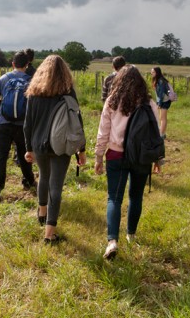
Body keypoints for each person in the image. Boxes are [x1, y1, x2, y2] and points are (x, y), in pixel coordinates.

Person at [94, 65, 159, 259]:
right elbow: (155, 134)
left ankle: (112, 241)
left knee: (114, 198)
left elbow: (103, 132)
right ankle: (131, 235)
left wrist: (98, 156)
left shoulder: (112, 102)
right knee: (136, 196)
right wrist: (158, 159)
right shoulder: (149, 103)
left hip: (116, 155)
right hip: (140, 157)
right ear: (141, 82)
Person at [24, 55, 86, 244]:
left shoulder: (34, 93)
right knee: (56, 185)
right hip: (62, 145)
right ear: (64, 73)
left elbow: (28, 124)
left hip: (39, 144)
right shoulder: (68, 92)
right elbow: (77, 124)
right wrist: (81, 149)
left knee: (43, 177)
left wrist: (28, 148)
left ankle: (42, 213)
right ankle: (50, 234)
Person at [0, 51, 36, 202]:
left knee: (1, 155)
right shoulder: (31, 81)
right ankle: (29, 182)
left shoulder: (4, 78)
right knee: (24, 154)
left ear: (13, 64)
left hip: (3, 123)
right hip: (22, 125)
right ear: (27, 64)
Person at [151, 67, 171, 140]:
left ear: (157, 73)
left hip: (164, 101)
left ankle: (161, 135)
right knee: (162, 118)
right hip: (163, 101)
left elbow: (161, 93)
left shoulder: (161, 81)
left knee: (162, 118)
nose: (151, 74)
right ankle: (163, 133)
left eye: (153, 72)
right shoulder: (159, 80)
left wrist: (159, 103)